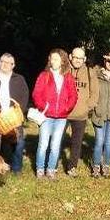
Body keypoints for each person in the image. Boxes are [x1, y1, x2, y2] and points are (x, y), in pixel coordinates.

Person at [32, 48, 78, 179]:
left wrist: (66, 108)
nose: (54, 61)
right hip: (46, 116)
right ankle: (40, 169)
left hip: (61, 117)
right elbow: (36, 94)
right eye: (52, 58)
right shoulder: (44, 75)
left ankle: (51, 169)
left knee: (55, 145)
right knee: (43, 144)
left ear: (63, 61)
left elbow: (73, 96)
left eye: (56, 59)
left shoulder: (68, 76)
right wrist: (43, 106)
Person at [0, 53, 29, 174]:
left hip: (14, 116)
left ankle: (16, 168)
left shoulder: (19, 79)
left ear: (13, 65)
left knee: (18, 143)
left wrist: (18, 113)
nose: (5, 64)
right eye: (2, 61)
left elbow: (25, 96)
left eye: (8, 63)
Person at [65, 47, 96, 177]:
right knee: (56, 140)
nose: (78, 60)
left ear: (84, 59)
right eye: (75, 57)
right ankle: (51, 165)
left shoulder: (90, 72)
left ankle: (72, 166)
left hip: (80, 114)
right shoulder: (63, 70)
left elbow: (95, 93)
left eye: (80, 58)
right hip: (63, 113)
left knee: (76, 143)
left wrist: (86, 107)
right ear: (71, 57)